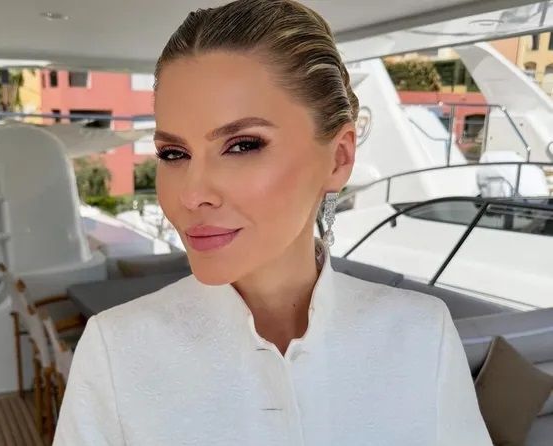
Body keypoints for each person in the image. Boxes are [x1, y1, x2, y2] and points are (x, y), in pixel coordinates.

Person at [53, 0, 491, 444]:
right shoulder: (115, 350)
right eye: (174, 153)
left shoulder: (423, 335)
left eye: (242, 145)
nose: (191, 194)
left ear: (339, 158)